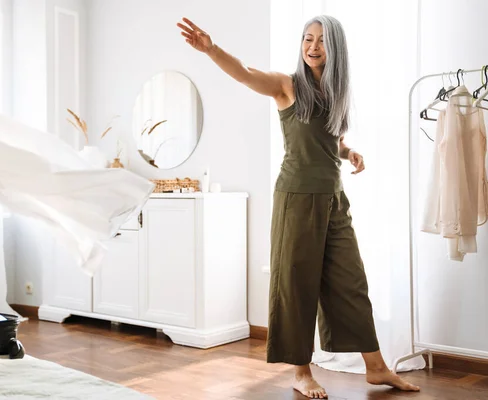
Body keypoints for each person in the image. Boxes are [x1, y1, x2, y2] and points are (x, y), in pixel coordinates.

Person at [177, 15, 420, 399]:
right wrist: (211, 49)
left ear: (334, 47)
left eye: (321, 41)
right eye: (308, 39)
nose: (313, 47)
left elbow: (328, 142)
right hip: (296, 198)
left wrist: (349, 151)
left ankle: (376, 367)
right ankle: (301, 372)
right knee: (296, 285)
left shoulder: (336, 94)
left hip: (334, 199)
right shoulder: (286, 86)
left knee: (351, 283)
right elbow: (243, 73)